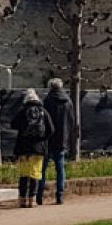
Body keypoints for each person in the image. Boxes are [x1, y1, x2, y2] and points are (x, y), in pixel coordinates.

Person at [10, 91, 54, 208]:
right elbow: (51, 129)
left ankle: (22, 199)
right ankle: (32, 200)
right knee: (35, 174)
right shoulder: (43, 112)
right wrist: (42, 138)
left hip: (23, 148)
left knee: (24, 174)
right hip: (38, 149)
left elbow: (12, 124)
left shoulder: (23, 111)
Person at [38, 78, 73, 206]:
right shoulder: (68, 101)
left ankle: (39, 196)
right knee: (60, 168)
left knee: (42, 169)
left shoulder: (47, 101)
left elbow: (43, 122)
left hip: (48, 139)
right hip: (62, 139)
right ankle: (60, 195)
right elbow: (71, 121)